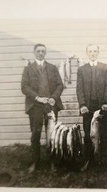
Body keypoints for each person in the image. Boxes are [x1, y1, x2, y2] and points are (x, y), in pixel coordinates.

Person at [21, 43, 64, 173]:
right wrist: (37, 97)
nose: (40, 53)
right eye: (38, 51)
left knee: (52, 135)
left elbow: (60, 85)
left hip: (50, 106)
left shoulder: (52, 68)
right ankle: (35, 161)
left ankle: (53, 162)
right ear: (34, 52)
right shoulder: (28, 69)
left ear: (45, 53)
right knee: (36, 134)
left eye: (43, 51)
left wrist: (53, 98)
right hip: (35, 106)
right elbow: (24, 87)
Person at [76, 44, 107, 171]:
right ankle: (88, 159)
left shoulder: (105, 67)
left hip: (102, 106)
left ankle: (106, 159)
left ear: (98, 52)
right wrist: (82, 105)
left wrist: (106, 103)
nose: (93, 53)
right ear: (87, 53)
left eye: (95, 51)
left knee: (104, 134)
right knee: (88, 134)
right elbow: (79, 88)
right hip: (88, 107)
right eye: (90, 51)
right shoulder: (82, 69)